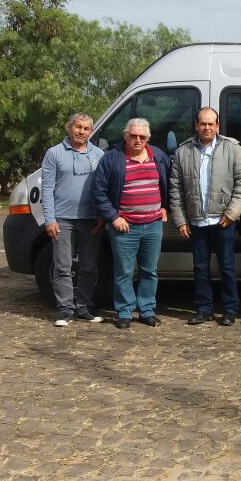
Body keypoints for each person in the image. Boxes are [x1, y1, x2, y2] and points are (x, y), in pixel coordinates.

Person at [169, 107, 241, 327]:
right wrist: (180, 219)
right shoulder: (183, 151)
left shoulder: (232, 148)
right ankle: (204, 309)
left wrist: (232, 213)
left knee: (227, 266)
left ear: (217, 126)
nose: (207, 127)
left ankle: (230, 309)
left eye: (211, 124)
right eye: (203, 123)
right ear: (196, 125)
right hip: (196, 220)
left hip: (223, 219)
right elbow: (175, 189)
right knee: (200, 268)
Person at [92, 118, 170, 330]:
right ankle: (124, 312)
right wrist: (113, 217)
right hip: (124, 226)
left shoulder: (158, 156)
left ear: (148, 138)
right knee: (124, 272)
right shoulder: (112, 158)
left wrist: (165, 206)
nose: (137, 140)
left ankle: (147, 311)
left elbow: (170, 184)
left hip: (153, 224)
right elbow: (98, 192)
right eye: (133, 135)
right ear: (125, 135)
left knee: (150, 271)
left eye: (142, 136)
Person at [40, 112, 105, 326]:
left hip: (90, 219)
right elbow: (47, 188)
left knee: (89, 266)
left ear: (91, 132)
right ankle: (65, 310)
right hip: (62, 219)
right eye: (78, 127)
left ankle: (84, 308)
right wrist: (50, 218)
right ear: (70, 127)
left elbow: (103, 187)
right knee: (62, 267)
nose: (81, 132)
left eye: (86, 129)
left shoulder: (98, 154)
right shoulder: (54, 153)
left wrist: (101, 215)